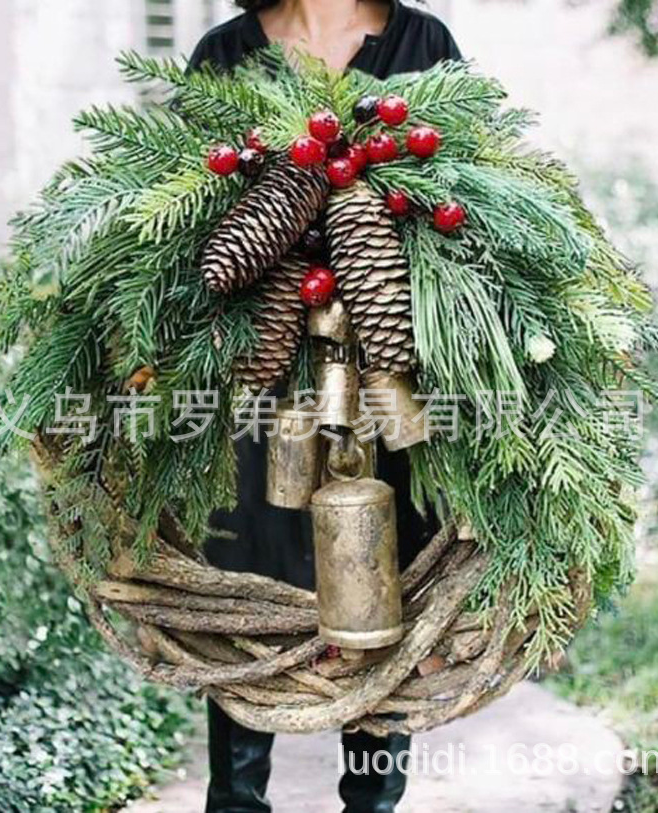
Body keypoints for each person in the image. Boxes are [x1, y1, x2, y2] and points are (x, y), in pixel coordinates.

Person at [188, 2, 462, 810]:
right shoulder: (225, 54)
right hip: (261, 382)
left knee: (381, 589)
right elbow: (188, 215)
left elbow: (467, 203)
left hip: (389, 379)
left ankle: (373, 803)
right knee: (250, 587)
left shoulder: (426, 46)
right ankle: (235, 801)